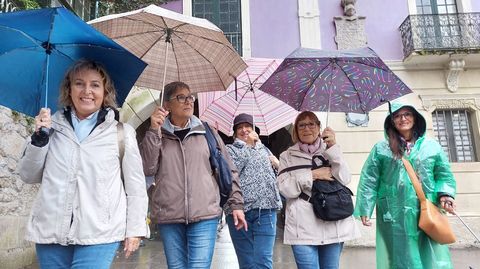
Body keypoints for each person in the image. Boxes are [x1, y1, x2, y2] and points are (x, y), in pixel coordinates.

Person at [18, 59, 149, 268]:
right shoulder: (50, 128)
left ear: (105, 92)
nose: (87, 91)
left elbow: (135, 187)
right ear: (69, 89)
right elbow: (28, 175)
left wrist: (135, 229)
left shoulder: (121, 133)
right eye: (79, 83)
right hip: (50, 230)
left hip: (99, 233)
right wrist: (39, 140)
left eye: (95, 85)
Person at [139, 81, 247, 269]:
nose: (189, 101)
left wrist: (236, 204)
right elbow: (147, 168)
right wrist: (153, 131)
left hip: (205, 213)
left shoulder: (206, 131)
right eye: (181, 97)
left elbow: (228, 169)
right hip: (169, 214)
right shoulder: (157, 133)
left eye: (190, 97)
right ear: (167, 105)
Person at [354, 102, 456, 269]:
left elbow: (443, 174)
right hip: (394, 213)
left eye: (407, 114)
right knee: (400, 257)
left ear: (415, 118)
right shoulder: (381, 149)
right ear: (391, 121)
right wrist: (365, 207)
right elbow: (370, 179)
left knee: (429, 256)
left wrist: (445, 194)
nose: (403, 118)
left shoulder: (431, 147)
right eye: (397, 116)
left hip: (426, 209)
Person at [277, 111, 360, 269]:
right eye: (301, 125)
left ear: (319, 128)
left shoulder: (331, 151)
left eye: (311, 124)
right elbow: (285, 189)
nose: (306, 129)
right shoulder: (286, 156)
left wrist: (333, 147)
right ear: (296, 130)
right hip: (302, 227)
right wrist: (312, 175)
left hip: (332, 222)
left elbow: (344, 178)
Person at [225, 113, 282, 269]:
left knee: (263, 260)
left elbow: (278, 176)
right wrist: (248, 146)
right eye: (240, 127)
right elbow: (232, 170)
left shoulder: (264, 149)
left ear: (253, 128)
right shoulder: (229, 149)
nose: (244, 130)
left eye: (247, 126)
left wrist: (278, 164)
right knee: (247, 263)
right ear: (235, 132)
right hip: (239, 211)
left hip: (266, 210)